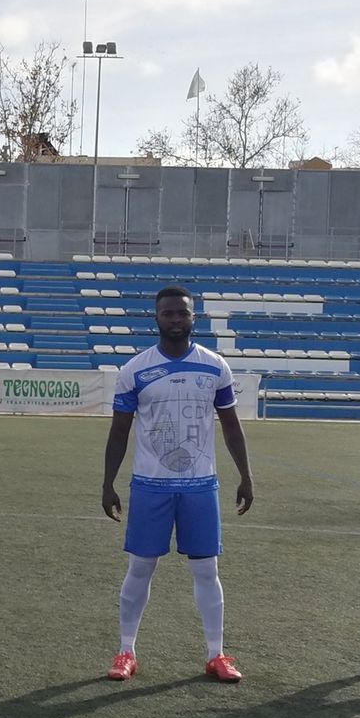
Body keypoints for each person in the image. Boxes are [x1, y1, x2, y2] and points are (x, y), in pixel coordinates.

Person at [101, 286, 254, 683]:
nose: (174, 319)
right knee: (140, 567)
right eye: (167, 313)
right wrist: (108, 482)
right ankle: (125, 651)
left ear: (192, 318)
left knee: (207, 569)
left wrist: (245, 475)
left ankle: (216, 654)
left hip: (200, 485)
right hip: (150, 484)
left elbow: (232, 426)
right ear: (156, 317)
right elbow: (118, 433)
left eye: (181, 313)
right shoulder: (134, 370)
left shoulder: (215, 366)